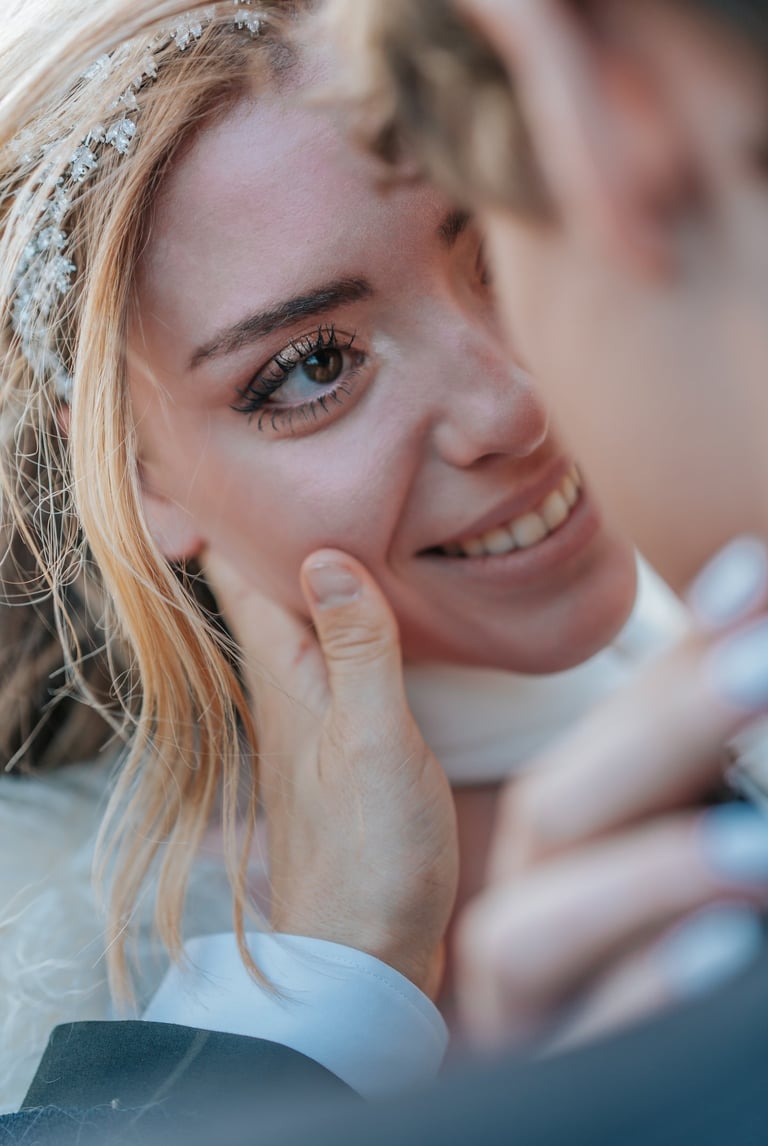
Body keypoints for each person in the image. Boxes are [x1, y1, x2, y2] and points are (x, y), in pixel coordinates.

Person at [6, 0, 768, 1141]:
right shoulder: (34, 925)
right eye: (315, 365)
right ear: (137, 474)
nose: (513, 404)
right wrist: (321, 994)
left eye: (508, 246)